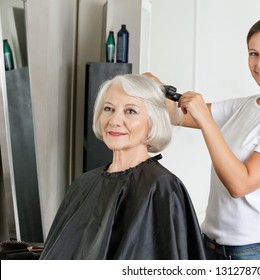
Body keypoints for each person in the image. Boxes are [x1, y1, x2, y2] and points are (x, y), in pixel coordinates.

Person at [146, 15, 260, 260]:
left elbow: (239, 184)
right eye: (253, 53)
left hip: (254, 252)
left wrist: (206, 120)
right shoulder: (244, 106)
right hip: (211, 244)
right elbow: (178, 117)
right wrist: (158, 89)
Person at [39, 74, 205, 260]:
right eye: (108, 109)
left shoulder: (161, 188)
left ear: (152, 122)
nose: (115, 120)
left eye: (130, 111)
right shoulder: (84, 184)